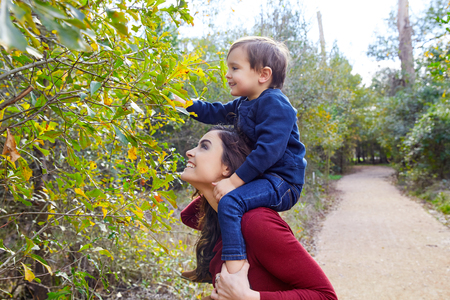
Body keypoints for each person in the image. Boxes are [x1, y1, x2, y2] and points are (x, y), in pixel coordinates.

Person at [175, 36, 307, 274]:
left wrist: (234, 182)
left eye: (235, 68)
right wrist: (186, 104)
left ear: (263, 75)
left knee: (231, 200)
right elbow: (214, 111)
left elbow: (268, 151)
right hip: (265, 177)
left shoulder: (277, 105)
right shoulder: (243, 104)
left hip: (283, 181)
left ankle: (235, 266)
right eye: (229, 68)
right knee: (223, 201)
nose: (227, 74)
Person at [180, 126, 337, 300]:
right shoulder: (225, 220)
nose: (189, 152)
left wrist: (248, 297)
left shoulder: (255, 221)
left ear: (227, 167)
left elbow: (325, 296)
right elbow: (187, 217)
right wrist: (219, 193)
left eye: (204, 146)